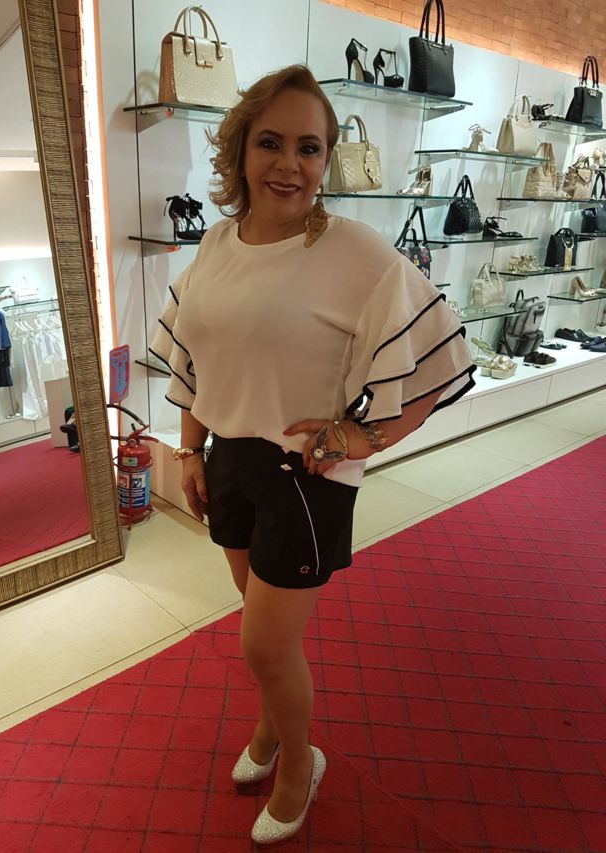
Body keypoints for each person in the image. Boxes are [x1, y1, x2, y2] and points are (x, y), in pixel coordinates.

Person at [151, 64, 475, 845]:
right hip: (229, 461)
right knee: (261, 631)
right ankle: (271, 727)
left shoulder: (353, 250)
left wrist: (364, 435)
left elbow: (442, 355)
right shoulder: (218, 242)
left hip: (304, 474)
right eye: (270, 143)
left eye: (309, 147)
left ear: (327, 158)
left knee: (265, 643)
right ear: (239, 151)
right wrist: (190, 450)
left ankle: (300, 763)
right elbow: (195, 353)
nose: (289, 164)